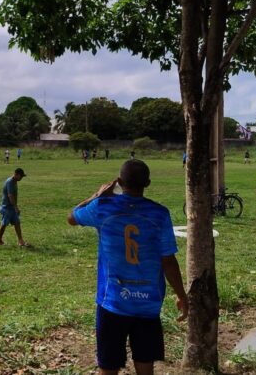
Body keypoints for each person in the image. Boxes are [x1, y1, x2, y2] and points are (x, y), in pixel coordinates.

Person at [68, 160, 188, 374]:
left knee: (108, 365)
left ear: (119, 182)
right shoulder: (160, 214)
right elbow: (168, 261)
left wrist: (96, 196)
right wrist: (181, 295)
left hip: (112, 302)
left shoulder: (102, 208)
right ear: (148, 183)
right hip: (148, 304)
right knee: (145, 365)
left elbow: (71, 217)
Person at [0, 168, 28, 246]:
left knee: (17, 222)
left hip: (11, 207)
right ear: (16, 174)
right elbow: (10, 196)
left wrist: (14, 207)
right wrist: (16, 207)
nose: (21, 178)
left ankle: (20, 241)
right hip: (6, 207)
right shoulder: (10, 182)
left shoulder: (14, 181)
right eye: (21, 176)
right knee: (4, 224)